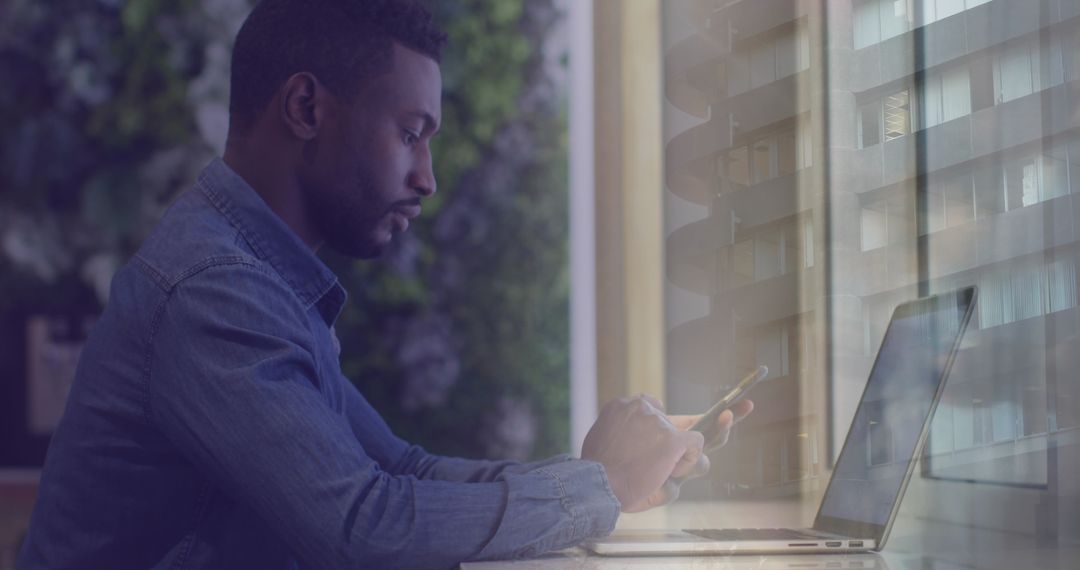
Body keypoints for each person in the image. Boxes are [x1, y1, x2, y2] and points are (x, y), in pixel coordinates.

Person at [18, 1, 753, 568]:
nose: (427, 178)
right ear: (306, 108)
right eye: (410, 133)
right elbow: (360, 528)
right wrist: (600, 488)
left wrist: (599, 477)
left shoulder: (257, 277)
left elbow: (402, 470)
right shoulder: (214, 291)